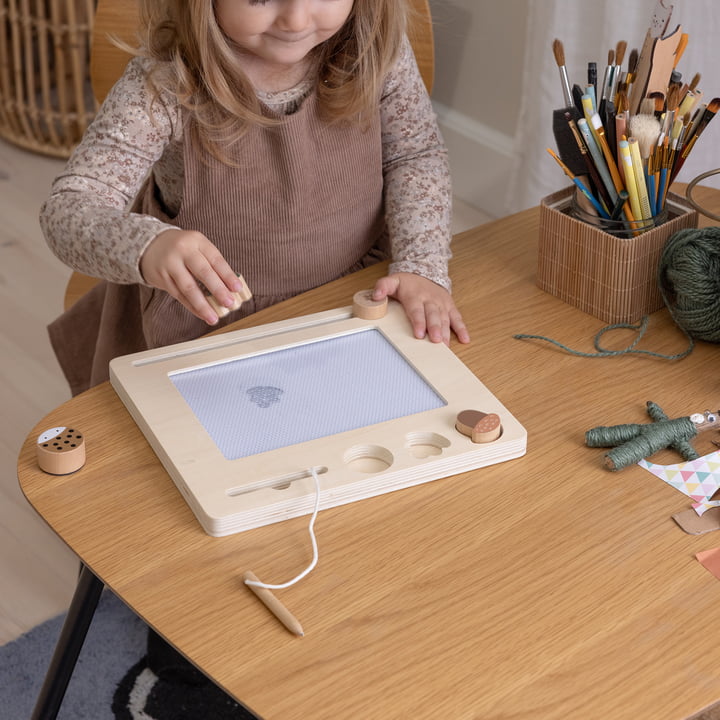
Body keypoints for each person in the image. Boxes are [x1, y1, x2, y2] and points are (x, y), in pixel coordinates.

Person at [40, 0, 468, 397]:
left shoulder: (377, 53)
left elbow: (415, 156)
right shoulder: (162, 88)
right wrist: (146, 244)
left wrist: (422, 264)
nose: (296, 20)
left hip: (356, 298)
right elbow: (67, 210)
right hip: (208, 322)